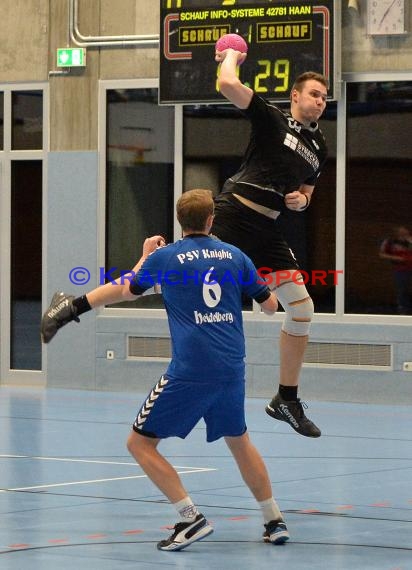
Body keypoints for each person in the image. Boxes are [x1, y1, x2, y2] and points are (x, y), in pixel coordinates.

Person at [41, 189, 289, 551]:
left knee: (139, 443)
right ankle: (274, 520)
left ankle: (191, 518)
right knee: (239, 440)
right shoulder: (236, 256)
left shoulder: (168, 258)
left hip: (190, 370)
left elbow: (129, 289)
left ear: (180, 222)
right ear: (210, 220)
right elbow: (269, 306)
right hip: (232, 368)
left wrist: (144, 258)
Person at [213, 44, 329, 438]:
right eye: (314, 93)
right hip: (232, 215)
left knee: (301, 308)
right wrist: (231, 55)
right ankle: (77, 303)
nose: (320, 100)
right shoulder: (271, 118)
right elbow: (227, 83)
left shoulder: (319, 148)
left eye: (325, 97)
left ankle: (286, 399)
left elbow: (307, 194)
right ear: (295, 96)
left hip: (267, 231)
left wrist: (301, 201)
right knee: (175, 281)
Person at [379, 225, 412, 315]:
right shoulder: (390, 241)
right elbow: (382, 254)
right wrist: (396, 258)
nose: (403, 233)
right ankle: (403, 309)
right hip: (400, 269)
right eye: (400, 231)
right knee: (402, 289)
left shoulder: (410, 240)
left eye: (405, 231)